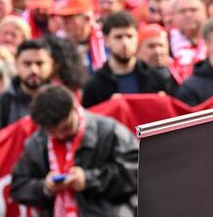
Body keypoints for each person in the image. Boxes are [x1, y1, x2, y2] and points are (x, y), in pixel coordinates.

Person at [10, 85, 138, 216]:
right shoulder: (36, 143)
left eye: (66, 128)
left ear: (75, 109)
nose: (61, 136)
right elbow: (18, 187)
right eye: (53, 132)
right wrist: (45, 187)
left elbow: (137, 172)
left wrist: (89, 180)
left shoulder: (110, 131)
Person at [81, 11, 174, 108]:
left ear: (137, 38)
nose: (125, 43)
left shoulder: (157, 78)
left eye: (130, 36)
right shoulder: (94, 85)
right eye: (118, 37)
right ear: (106, 40)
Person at [0, 39, 56, 142]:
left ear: (51, 65)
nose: (34, 70)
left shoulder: (63, 102)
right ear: (16, 64)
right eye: (27, 64)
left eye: (40, 64)